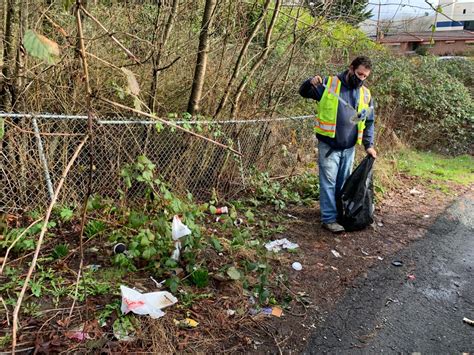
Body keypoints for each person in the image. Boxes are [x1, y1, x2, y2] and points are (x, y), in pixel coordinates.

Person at [299, 56, 377, 233]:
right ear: (350, 68)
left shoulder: (365, 94)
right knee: (329, 183)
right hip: (329, 146)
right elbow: (303, 92)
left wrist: (368, 145)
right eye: (359, 74)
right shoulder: (329, 84)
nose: (361, 78)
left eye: (365, 76)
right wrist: (309, 82)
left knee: (343, 184)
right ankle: (329, 219)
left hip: (349, 148)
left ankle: (340, 215)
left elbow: (369, 121)